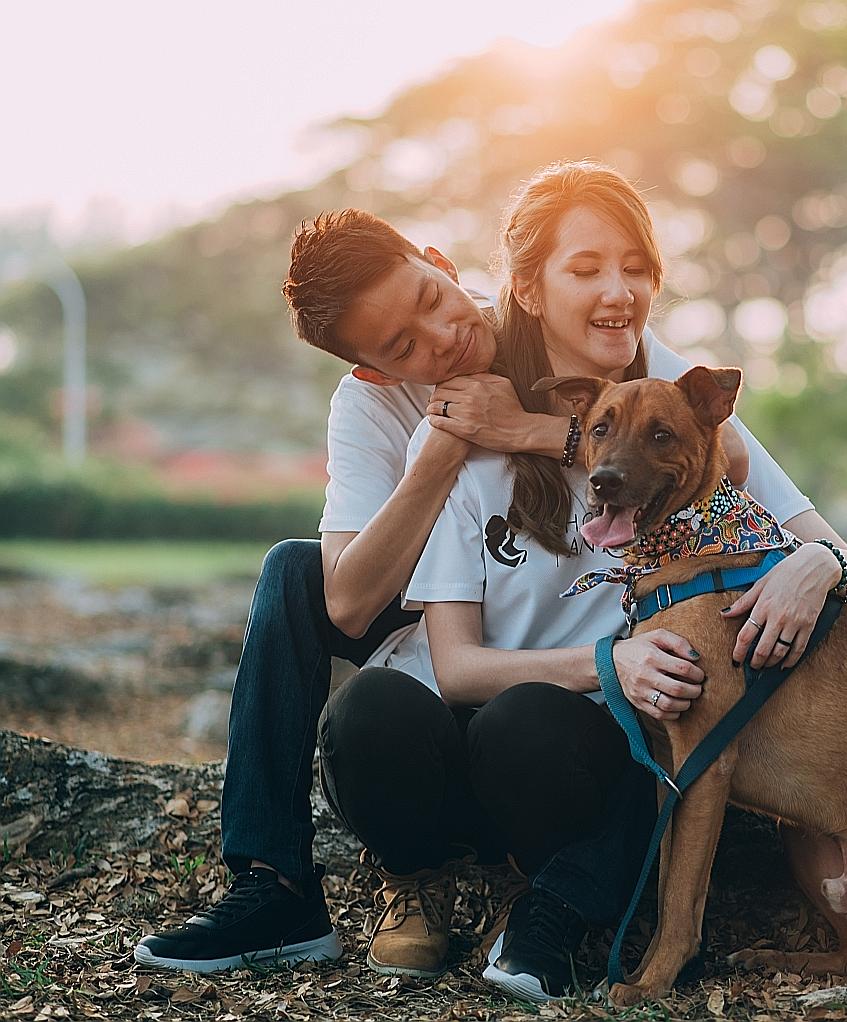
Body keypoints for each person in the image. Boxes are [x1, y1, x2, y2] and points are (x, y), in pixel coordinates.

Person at [314, 160, 847, 1000]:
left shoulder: (680, 421)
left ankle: (557, 907)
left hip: (585, 760)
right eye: (585, 269)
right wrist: (610, 655)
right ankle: (298, 884)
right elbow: (415, 638)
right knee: (345, 652)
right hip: (494, 729)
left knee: (568, 720)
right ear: (528, 289)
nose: (619, 290)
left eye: (636, 268)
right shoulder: (465, 444)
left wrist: (816, 564)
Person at [129, 191, 745, 974]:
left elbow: (723, 465)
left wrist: (527, 431)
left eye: (432, 299)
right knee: (294, 571)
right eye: (403, 345)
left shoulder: (568, 325)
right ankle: (276, 882)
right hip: (448, 627)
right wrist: (442, 450)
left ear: (442, 262)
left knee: (550, 709)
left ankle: (553, 886)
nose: (444, 337)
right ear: (372, 365)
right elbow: (346, 605)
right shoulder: (372, 406)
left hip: (566, 701)